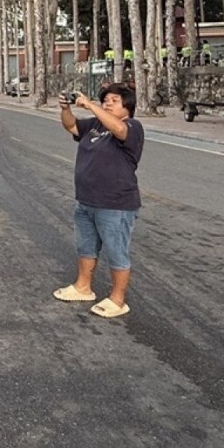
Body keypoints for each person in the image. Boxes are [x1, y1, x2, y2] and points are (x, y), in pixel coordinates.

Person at [53, 84, 144, 318]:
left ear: (127, 107)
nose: (107, 103)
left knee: (116, 252)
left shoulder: (133, 127)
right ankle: (83, 287)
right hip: (86, 201)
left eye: (114, 100)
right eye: (105, 100)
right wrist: (65, 108)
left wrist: (90, 105)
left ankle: (117, 299)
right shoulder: (94, 125)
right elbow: (71, 126)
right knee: (86, 247)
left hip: (115, 204)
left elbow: (119, 130)